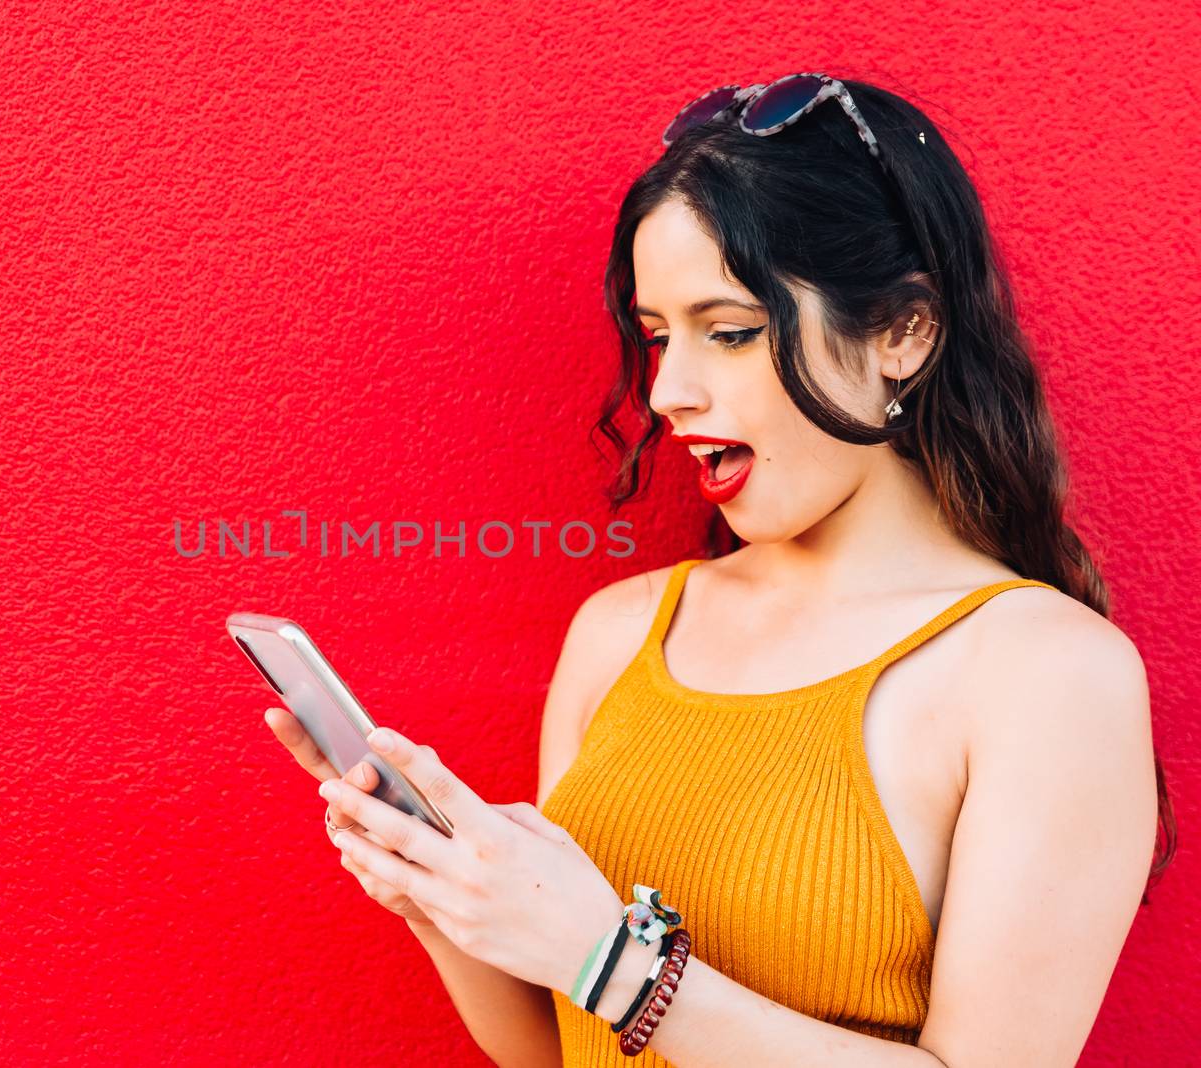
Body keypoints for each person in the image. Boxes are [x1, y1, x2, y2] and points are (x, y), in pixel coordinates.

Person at [264, 73, 1175, 1067]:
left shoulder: (1044, 673)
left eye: (730, 332)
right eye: (656, 337)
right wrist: (438, 895)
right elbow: (557, 1048)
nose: (667, 392)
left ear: (903, 333)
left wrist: (613, 961)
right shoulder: (619, 632)